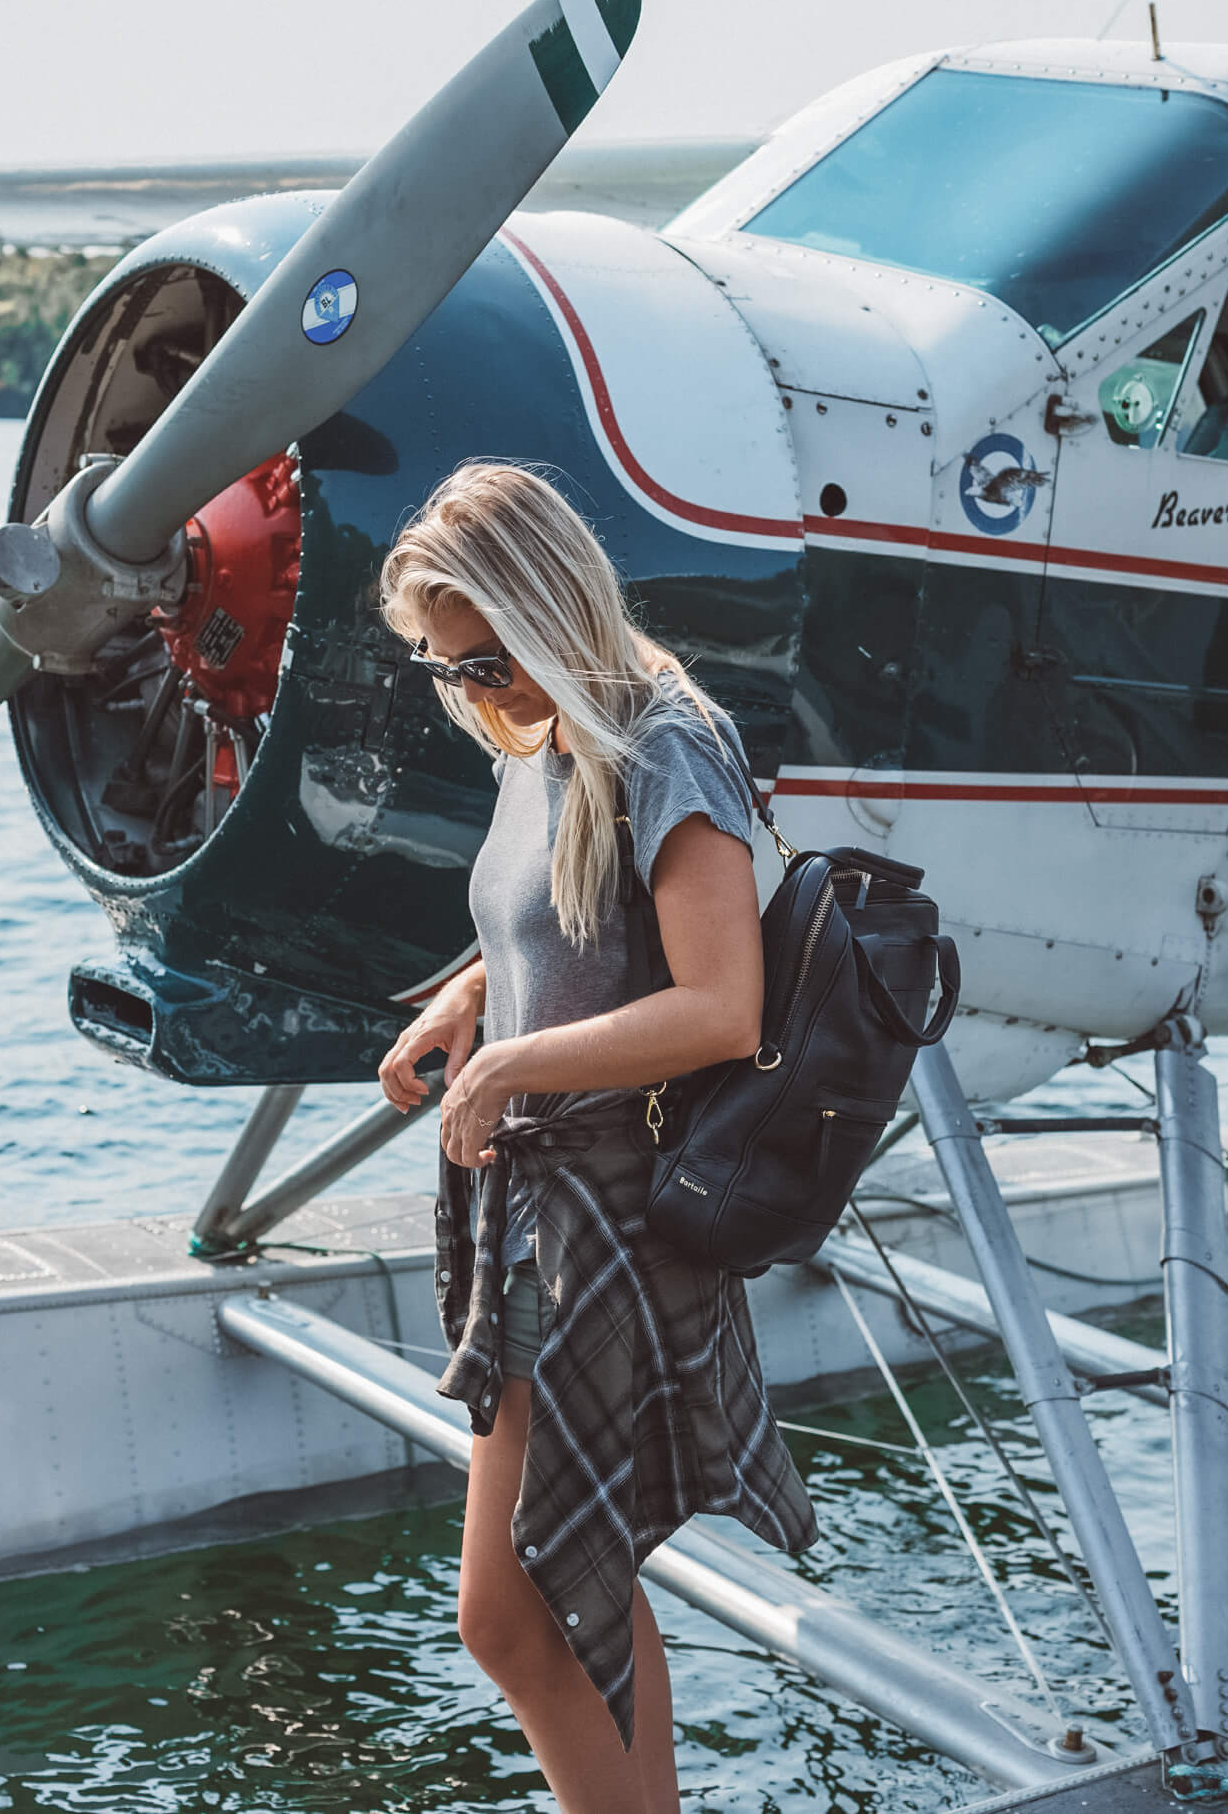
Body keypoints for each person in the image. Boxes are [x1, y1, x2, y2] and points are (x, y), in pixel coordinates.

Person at [376, 462, 817, 1813]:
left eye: (486, 661)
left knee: (508, 1614)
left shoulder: (661, 738)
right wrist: (462, 1003)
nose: (473, 693)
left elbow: (720, 1002)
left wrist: (510, 1060)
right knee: (579, 1586)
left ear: (548, 605)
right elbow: (563, 919)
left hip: (606, 1213)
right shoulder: (548, 733)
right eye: (447, 674)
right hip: (533, 1208)